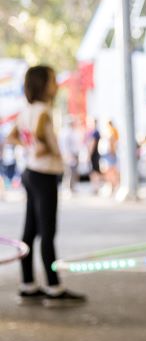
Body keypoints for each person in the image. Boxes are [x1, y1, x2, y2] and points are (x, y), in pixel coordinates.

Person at [7, 65, 86, 307]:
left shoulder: (26, 111)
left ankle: (28, 283)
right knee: (47, 233)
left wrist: (29, 147)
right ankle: (54, 286)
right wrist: (46, 149)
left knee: (30, 232)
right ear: (43, 85)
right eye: (52, 80)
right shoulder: (43, 111)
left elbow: (12, 136)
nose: (56, 85)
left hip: (31, 172)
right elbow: (41, 137)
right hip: (44, 174)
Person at [58, 115, 81, 195]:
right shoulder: (65, 132)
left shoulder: (72, 131)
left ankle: (72, 187)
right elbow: (65, 146)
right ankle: (67, 188)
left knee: (73, 172)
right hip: (69, 154)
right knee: (69, 172)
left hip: (73, 154)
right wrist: (67, 155)